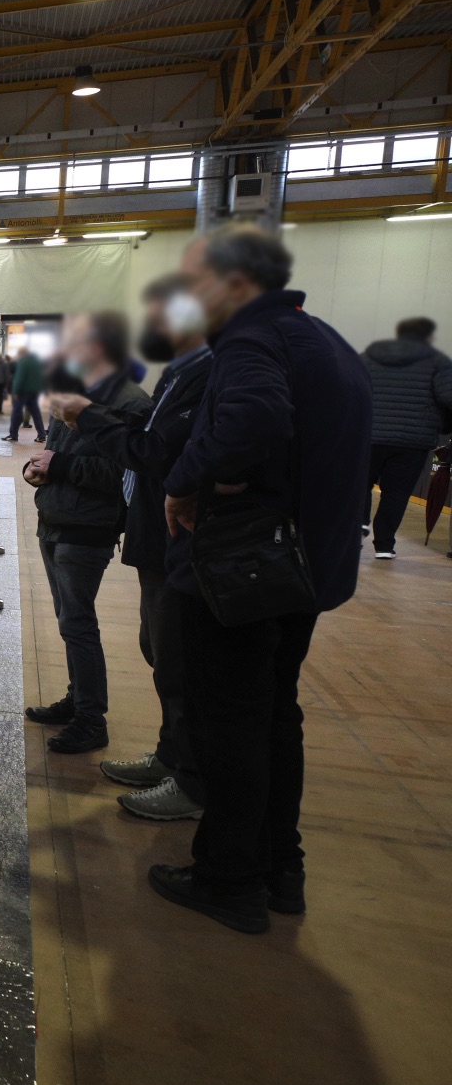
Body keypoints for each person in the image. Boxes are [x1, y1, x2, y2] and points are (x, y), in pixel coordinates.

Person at [151, 223, 372, 934]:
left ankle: (229, 879)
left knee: (232, 726)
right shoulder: (325, 339)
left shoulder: (251, 341)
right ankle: (281, 868)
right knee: (276, 718)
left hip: (244, 576)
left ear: (234, 281)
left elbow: (254, 418)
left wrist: (185, 482)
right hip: (302, 570)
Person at [46, 277, 213, 821]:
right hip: (104, 528)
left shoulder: (136, 398)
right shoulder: (166, 381)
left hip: (101, 529)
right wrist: (45, 467)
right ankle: (168, 755)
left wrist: (65, 461)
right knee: (149, 647)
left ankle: (168, 764)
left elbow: (134, 462)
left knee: (167, 657)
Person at [22, 312, 150, 755]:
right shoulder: (74, 393)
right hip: (55, 519)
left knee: (78, 624)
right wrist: (36, 469)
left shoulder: (131, 404)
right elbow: (53, 451)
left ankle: (92, 719)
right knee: (68, 621)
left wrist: (57, 466)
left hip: (87, 529)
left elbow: (124, 473)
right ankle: (77, 699)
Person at [360, 317, 452, 558]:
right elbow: (449, 397)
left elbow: (351, 386)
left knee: (360, 483)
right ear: (429, 336)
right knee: (396, 493)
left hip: (368, 434)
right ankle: (384, 546)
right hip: (412, 440)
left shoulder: (369, 356)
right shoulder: (437, 361)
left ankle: (358, 523)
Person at [6, 348, 47, 442]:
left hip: (22, 391)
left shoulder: (23, 362)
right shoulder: (37, 362)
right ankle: (41, 434)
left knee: (16, 412)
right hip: (34, 391)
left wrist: (16, 391)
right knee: (36, 413)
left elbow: (19, 377)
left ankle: (13, 434)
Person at [0, 351, 14, 418]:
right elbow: (6, 375)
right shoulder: (4, 364)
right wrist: (7, 383)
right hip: (1, 382)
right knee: (0, 396)